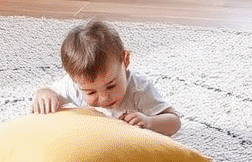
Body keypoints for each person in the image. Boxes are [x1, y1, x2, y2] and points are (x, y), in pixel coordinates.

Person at [31, 19, 181, 136]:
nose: (103, 99)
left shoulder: (139, 89)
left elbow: (174, 121)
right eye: (90, 92)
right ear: (73, 78)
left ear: (125, 60)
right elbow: (50, 92)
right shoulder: (75, 85)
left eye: (111, 86)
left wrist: (149, 122)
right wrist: (44, 94)